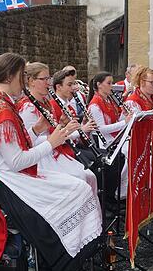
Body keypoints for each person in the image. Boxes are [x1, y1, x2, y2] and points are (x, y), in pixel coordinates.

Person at [0, 53, 102, 271]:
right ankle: (63, 259)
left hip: (11, 173)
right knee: (77, 189)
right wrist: (52, 142)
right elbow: (16, 161)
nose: (25, 81)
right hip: (7, 179)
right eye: (22, 76)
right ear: (10, 77)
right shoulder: (0, 108)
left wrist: (40, 131)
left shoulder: (0, 102)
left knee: (79, 186)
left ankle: (72, 253)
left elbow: (14, 145)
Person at [18, 62, 97, 191]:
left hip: (52, 152)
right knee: (81, 179)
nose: (49, 83)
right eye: (44, 79)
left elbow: (50, 130)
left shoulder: (45, 103)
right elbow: (28, 141)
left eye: (49, 79)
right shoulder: (28, 107)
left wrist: (61, 124)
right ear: (31, 81)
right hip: (41, 158)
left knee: (89, 176)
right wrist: (64, 132)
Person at [88, 71, 132, 199]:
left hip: (114, 138)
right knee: (126, 154)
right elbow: (101, 130)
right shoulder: (95, 104)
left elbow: (116, 122)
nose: (111, 86)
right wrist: (124, 122)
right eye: (109, 83)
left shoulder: (108, 100)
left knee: (133, 150)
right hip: (105, 142)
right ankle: (117, 193)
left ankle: (123, 191)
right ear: (99, 85)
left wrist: (125, 115)